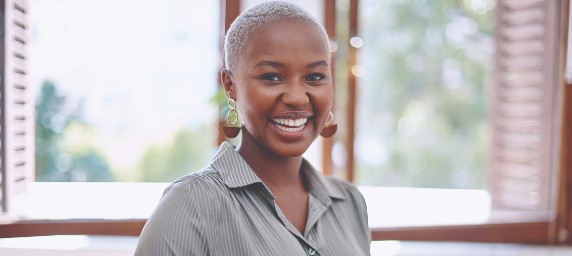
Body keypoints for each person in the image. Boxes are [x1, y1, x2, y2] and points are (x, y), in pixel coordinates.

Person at [135, 1, 371, 255]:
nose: (296, 97)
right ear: (230, 86)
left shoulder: (349, 203)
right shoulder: (190, 204)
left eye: (314, 77)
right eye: (271, 77)